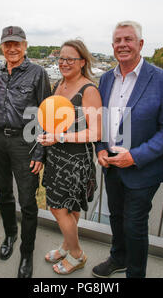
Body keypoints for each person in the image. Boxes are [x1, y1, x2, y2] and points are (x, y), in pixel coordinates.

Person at [92, 21, 163, 278]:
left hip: (142, 168)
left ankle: (136, 273)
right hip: (112, 166)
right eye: (118, 41)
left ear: (140, 44)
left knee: (135, 225)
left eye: (128, 39)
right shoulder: (106, 79)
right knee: (116, 218)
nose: (122, 45)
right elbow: (99, 120)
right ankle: (119, 258)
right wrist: (100, 149)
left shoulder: (162, 80)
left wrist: (135, 157)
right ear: (112, 47)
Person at [0, 26, 51, 278]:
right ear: (2, 47)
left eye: (17, 44)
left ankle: (27, 251)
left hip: (25, 143)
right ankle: (10, 234)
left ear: (25, 45)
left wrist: (40, 153)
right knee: (3, 193)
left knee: (28, 201)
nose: (12, 48)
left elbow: (45, 114)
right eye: (7, 44)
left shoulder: (38, 73)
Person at [37, 39, 102, 275]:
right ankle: (67, 245)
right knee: (70, 207)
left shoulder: (89, 90)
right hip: (56, 155)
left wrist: (59, 138)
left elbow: (96, 131)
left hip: (75, 160)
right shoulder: (60, 85)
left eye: (70, 59)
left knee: (57, 207)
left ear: (82, 61)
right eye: (61, 58)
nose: (64, 63)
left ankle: (77, 255)